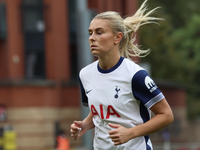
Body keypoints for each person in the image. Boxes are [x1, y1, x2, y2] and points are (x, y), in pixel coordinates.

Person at [70, 0, 174, 149]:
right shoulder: (85, 74)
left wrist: (131, 133)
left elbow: (166, 115)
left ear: (117, 38)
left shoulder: (135, 75)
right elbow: (101, 110)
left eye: (99, 32)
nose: (92, 37)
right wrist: (86, 124)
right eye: (90, 33)